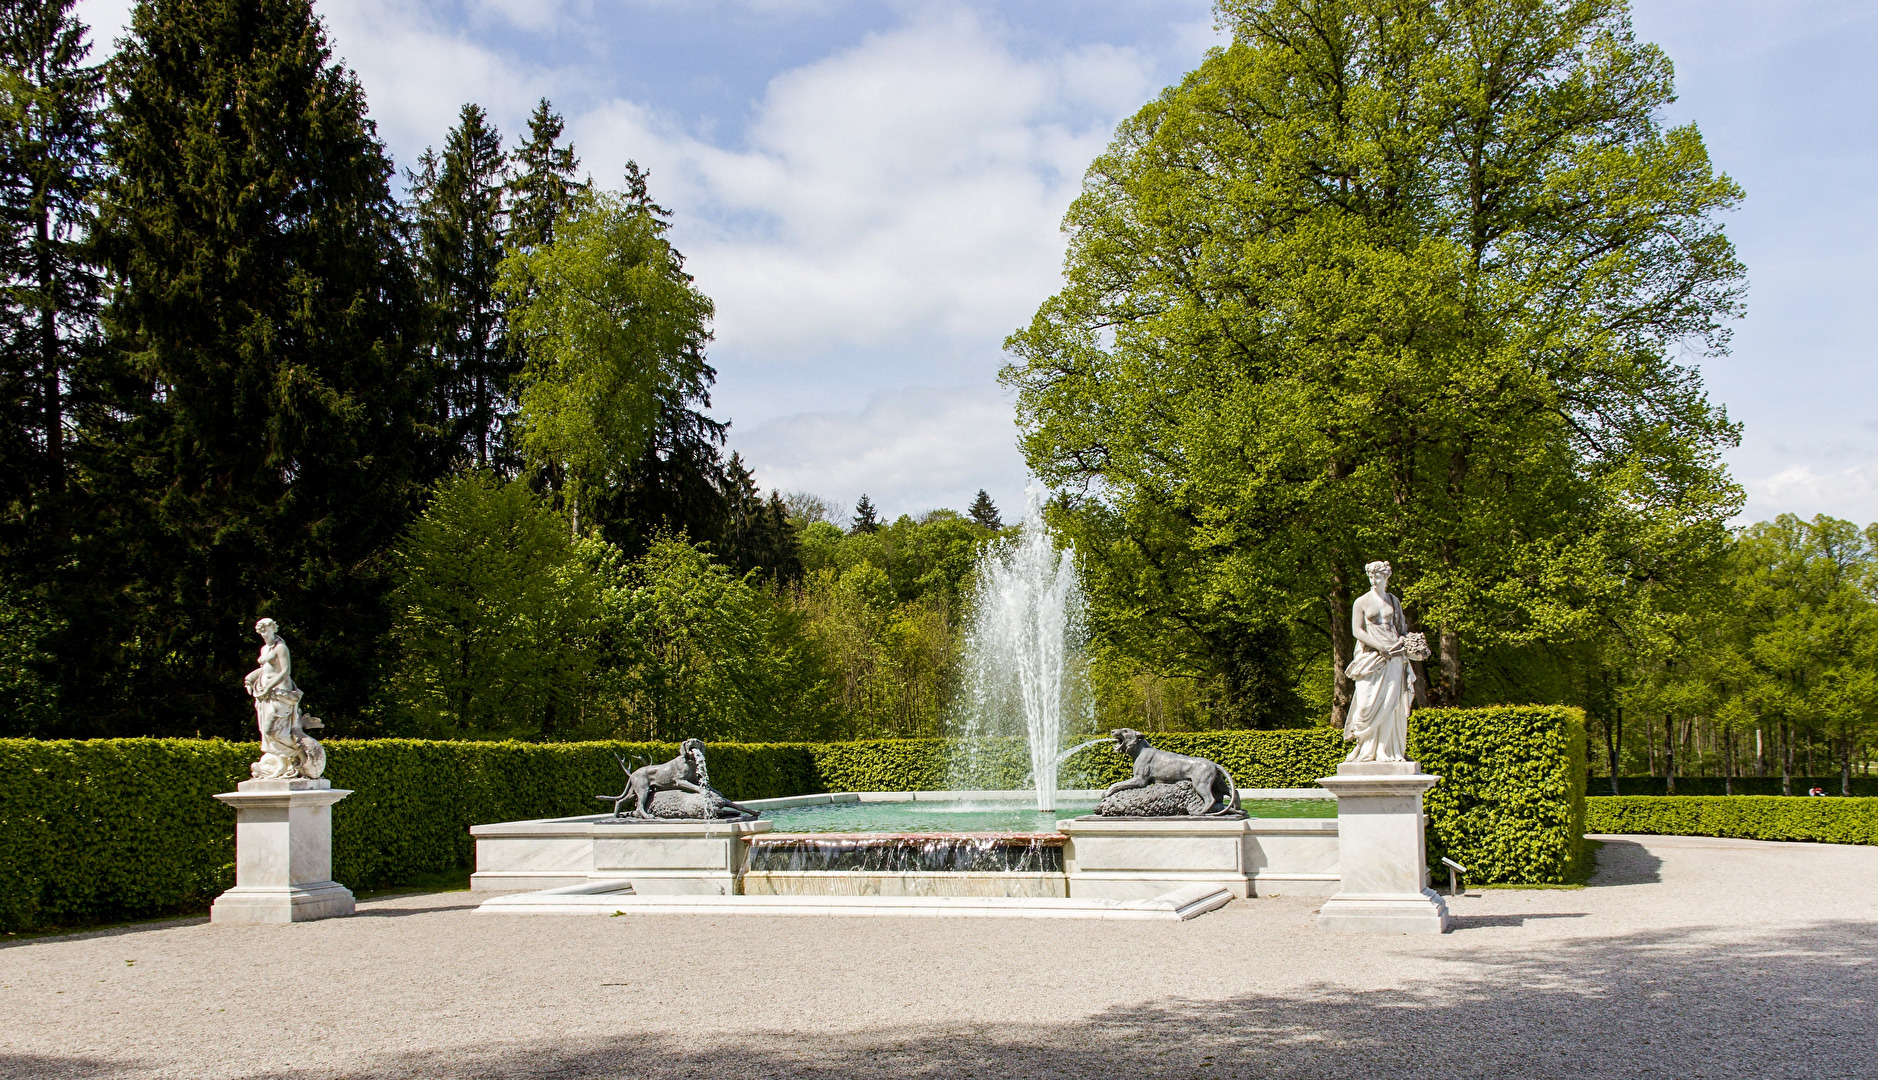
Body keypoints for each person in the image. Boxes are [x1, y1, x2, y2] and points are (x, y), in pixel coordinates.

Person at [1344, 561, 1415, 763]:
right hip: (1371, 658)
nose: (1374, 581)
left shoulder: (1394, 601)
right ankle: (1363, 747)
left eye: (1378, 577)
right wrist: (1378, 646)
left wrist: (1404, 642)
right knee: (1365, 704)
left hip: (1394, 658)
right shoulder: (1362, 602)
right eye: (1371, 577)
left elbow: (1401, 629)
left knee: (1391, 704)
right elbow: (1357, 631)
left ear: (1386, 578)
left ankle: (1387, 751)